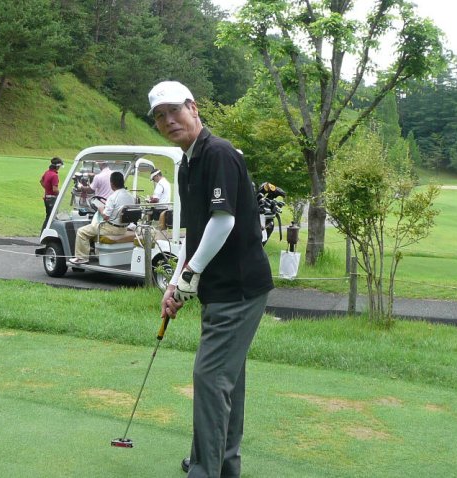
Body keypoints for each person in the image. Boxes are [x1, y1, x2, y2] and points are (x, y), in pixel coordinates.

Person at [148, 80, 273, 477]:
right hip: (221, 288)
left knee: (210, 376)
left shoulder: (217, 153)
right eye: (160, 116)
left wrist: (192, 273)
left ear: (194, 108)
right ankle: (222, 464)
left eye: (174, 111)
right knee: (226, 379)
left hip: (239, 287)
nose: (169, 120)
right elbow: (197, 233)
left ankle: (206, 469)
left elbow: (223, 221)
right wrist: (177, 281)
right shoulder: (188, 162)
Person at [69, 171, 135, 265]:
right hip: (123, 229)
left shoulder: (113, 197)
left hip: (111, 229)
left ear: (112, 183)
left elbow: (106, 217)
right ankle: (96, 253)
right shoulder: (130, 196)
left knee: (81, 232)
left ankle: (81, 258)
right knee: (93, 231)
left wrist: (100, 209)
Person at [40, 157, 63, 231]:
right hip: (52, 199)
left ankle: (44, 233)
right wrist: (60, 195)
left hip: (47, 198)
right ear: (57, 166)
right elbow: (55, 190)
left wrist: (47, 189)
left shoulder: (47, 172)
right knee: (51, 218)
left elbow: (41, 181)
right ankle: (45, 233)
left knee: (48, 217)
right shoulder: (54, 175)